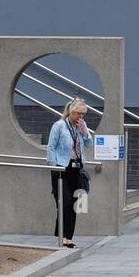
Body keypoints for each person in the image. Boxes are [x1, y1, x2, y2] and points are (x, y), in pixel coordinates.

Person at [46, 98, 94, 247]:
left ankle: (68, 237)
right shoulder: (59, 125)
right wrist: (54, 166)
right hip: (61, 168)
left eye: (83, 115)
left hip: (76, 169)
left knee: (73, 204)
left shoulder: (79, 127)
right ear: (71, 112)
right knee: (63, 202)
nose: (81, 117)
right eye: (78, 114)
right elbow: (51, 147)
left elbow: (88, 144)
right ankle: (62, 237)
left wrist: (85, 132)